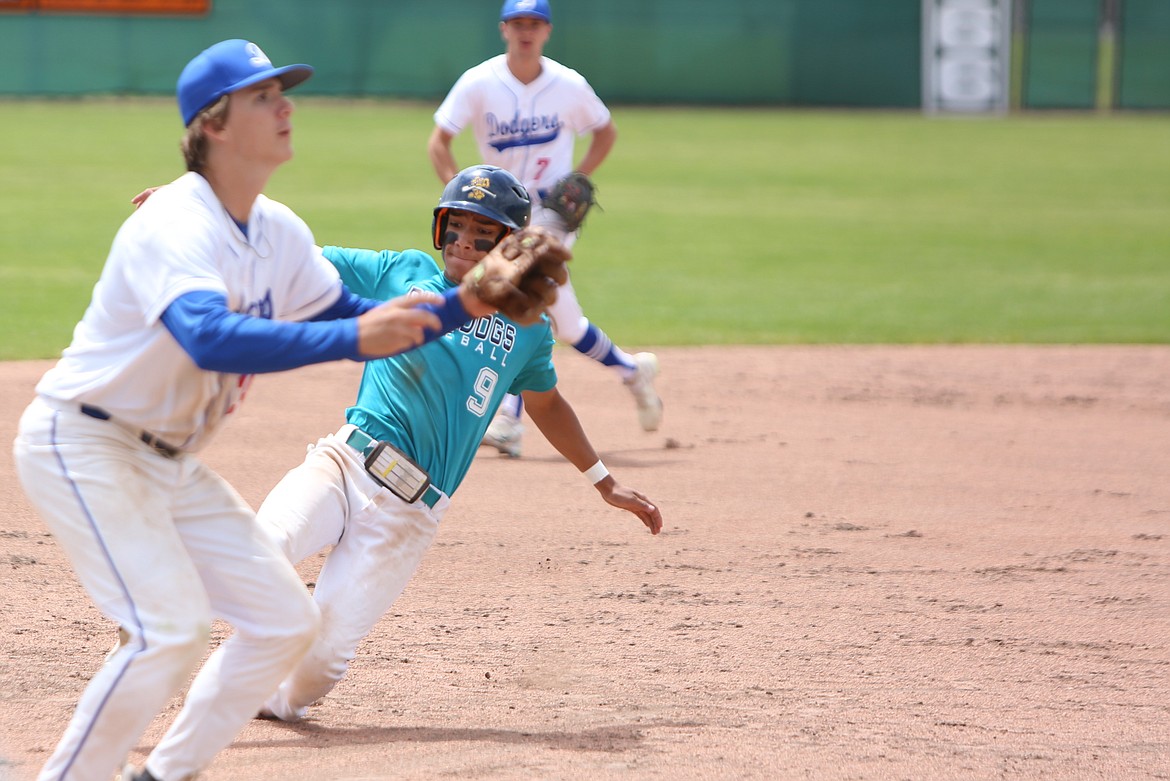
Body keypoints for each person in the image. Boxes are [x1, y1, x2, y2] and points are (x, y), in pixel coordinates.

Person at [12, 40, 550, 781]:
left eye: (283, 92)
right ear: (215, 125)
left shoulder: (280, 233)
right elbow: (207, 334)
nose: (286, 105)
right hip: (84, 441)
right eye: (265, 97)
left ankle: (160, 773)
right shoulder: (178, 221)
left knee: (285, 621)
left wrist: (472, 300)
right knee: (170, 632)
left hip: (167, 458)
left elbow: (367, 315)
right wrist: (357, 333)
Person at [252, 164, 663, 723]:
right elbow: (304, 257)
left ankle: (260, 698)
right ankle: (156, 634)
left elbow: (545, 403)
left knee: (318, 671)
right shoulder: (405, 271)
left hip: (410, 514)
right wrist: (218, 221)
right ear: (439, 229)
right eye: (456, 229)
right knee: (262, 545)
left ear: (508, 245)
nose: (464, 243)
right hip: (343, 462)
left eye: (482, 233)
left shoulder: (528, 327)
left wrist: (604, 481)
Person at [427, 0, 663, 458]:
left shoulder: (568, 84)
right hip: (499, 217)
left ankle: (509, 421)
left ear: (547, 30)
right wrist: (466, 204)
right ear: (504, 29)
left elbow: (605, 131)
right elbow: (439, 142)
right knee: (567, 324)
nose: (526, 31)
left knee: (512, 296)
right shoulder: (478, 83)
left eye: (534, 23)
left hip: (551, 217)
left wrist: (579, 178)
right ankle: (632, 371)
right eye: (518, 23)